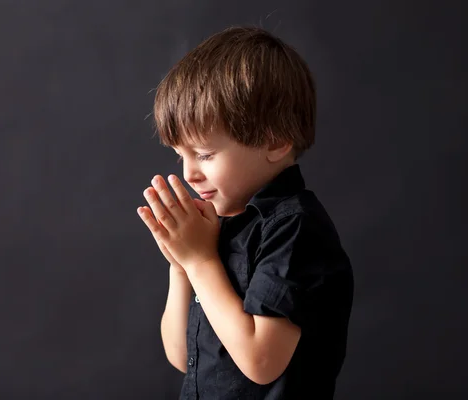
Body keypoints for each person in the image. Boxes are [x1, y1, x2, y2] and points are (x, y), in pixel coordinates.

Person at [136, 26, 354, 399]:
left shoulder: (295, 228)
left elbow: (261, 361)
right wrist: (181, 264)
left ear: (274, 141)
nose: (189, 173)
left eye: (204, 154)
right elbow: (181, 356)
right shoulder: (218, 227)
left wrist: (201, 262)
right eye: (180, 155)